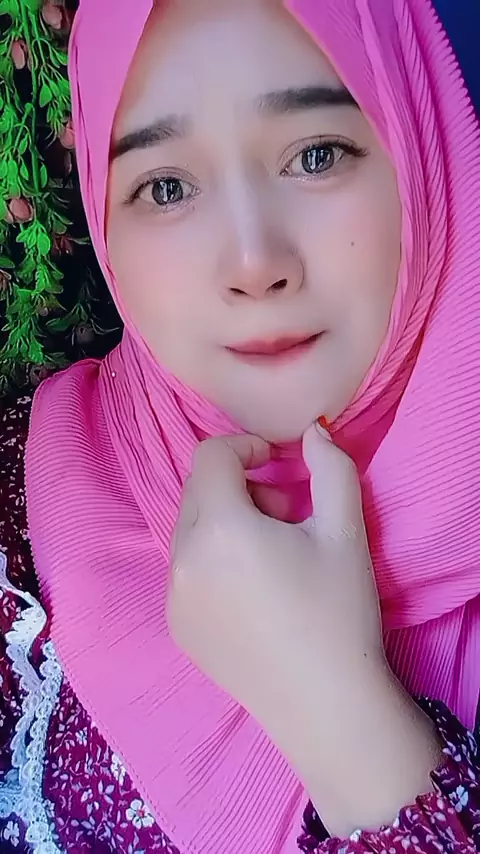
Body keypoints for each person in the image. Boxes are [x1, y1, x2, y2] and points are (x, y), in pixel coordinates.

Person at [0, 0, 479, 851]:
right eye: (166, 187)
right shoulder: (28, 497)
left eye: (316, 156)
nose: (255, 264)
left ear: (422, 151)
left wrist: (339, 710)